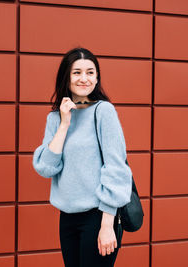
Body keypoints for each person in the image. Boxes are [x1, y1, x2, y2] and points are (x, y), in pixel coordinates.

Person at [32, 47, 132, 267]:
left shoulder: (103, 111)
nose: (84, 78)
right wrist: (65, 123)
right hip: (67, 217)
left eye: (90, 72)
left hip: (98, 216)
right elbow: (46, 168)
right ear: (66, 77)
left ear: (97, 78)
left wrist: (107, 225)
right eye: (77, 72)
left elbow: (116, 169)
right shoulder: (56, 118)